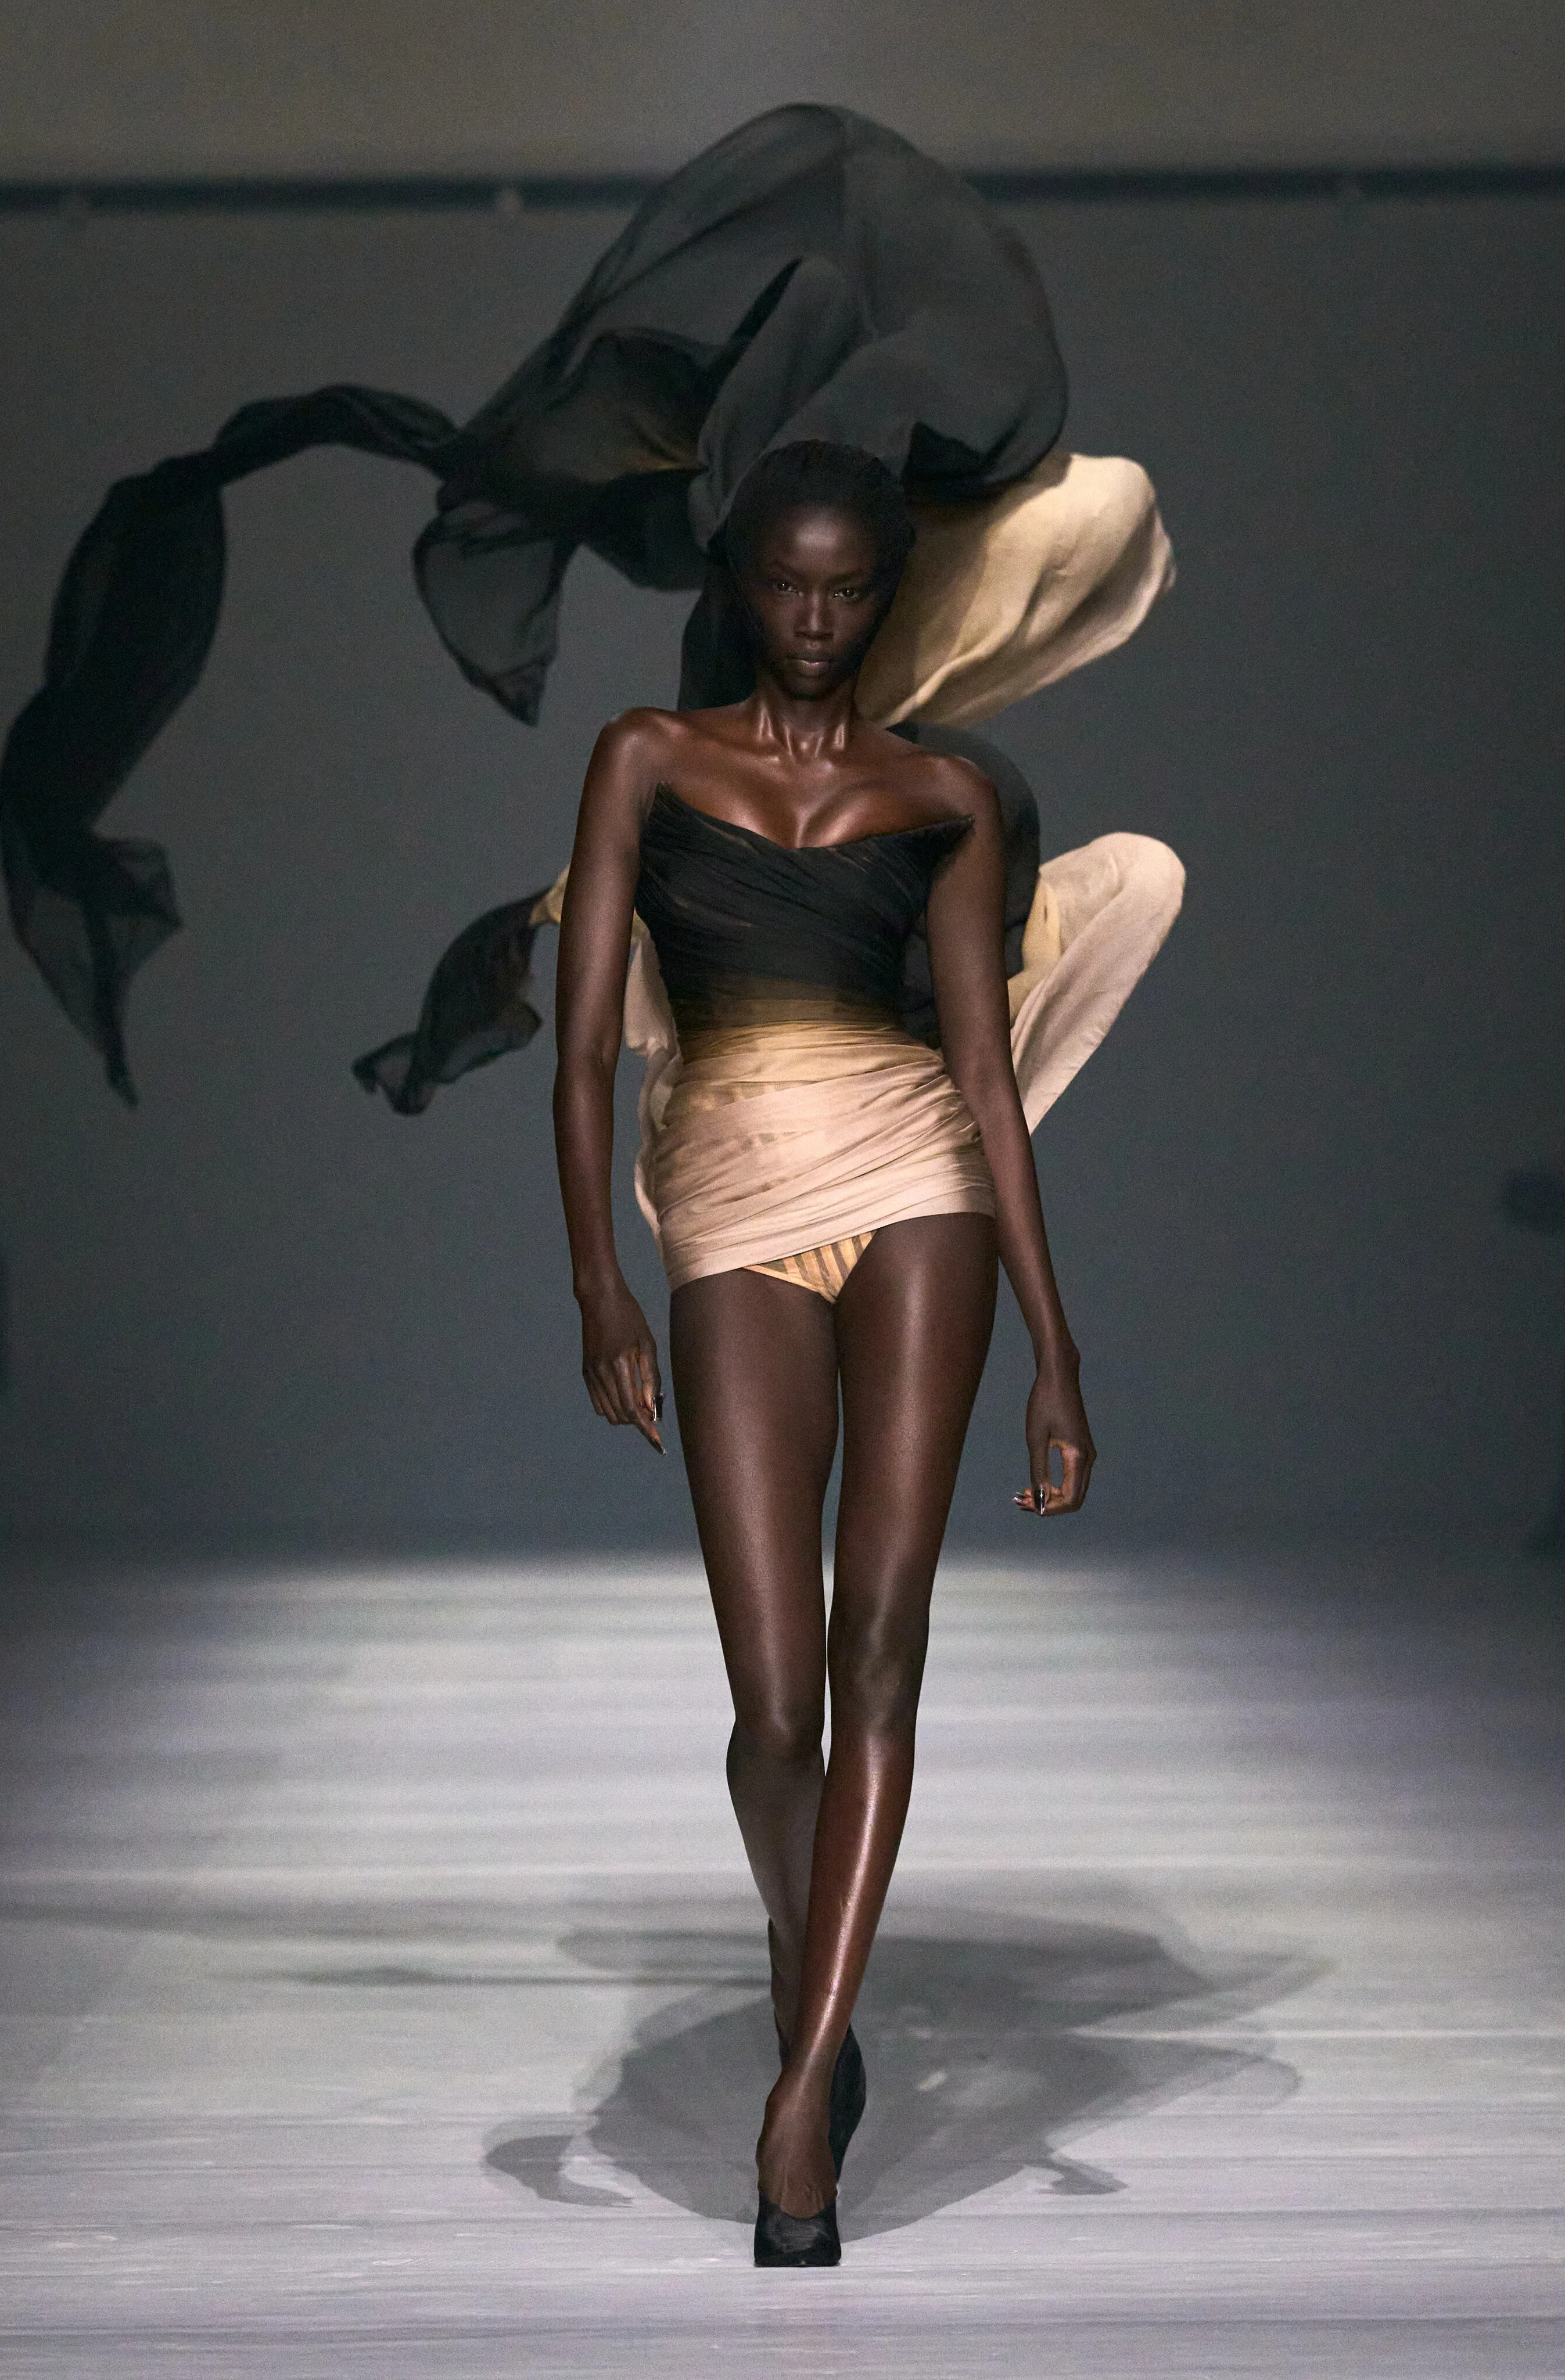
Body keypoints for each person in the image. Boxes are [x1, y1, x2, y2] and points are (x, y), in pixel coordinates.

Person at [552, 439, 1097, 2266]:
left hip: (918, 1181)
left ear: (884, 595)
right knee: (771, 1702)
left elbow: (986, 1075)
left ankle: (802, 2099)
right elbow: (578, 1054)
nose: (811, 617)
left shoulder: (944, 794)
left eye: (846, 587)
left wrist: (1056, 1344)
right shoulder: (644, 756)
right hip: (727, 1201)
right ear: (741, 583)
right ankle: (811, 1962)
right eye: (785, 583)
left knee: (881, 1648)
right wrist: (597, 1283)